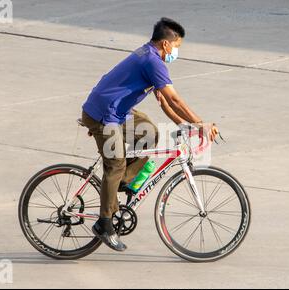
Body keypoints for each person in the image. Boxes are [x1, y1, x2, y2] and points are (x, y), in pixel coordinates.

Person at [81, 17, 218, 251]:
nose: (176, 52)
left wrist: (183, 125)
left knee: (150, 133)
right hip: (104, 114)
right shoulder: (152, 62)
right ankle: (104, 223)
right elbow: (174, 98)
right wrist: (199, 123)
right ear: (166, 44)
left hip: (119, 112)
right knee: (115, 164)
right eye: (177, 47)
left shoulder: (150, 56)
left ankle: (122, 184)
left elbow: (165, 101)